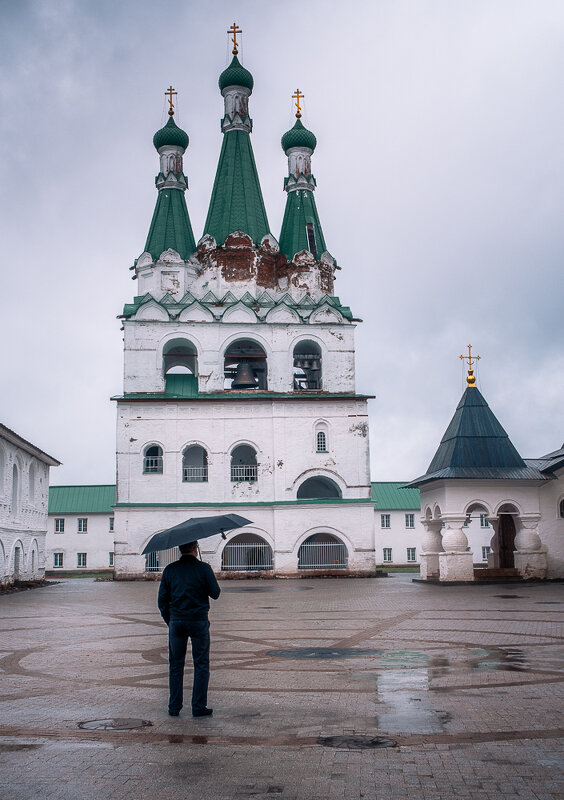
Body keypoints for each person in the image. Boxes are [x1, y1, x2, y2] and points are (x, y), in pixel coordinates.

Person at [157, 540, 221, 717]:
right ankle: (198, 706)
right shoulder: (203, 568)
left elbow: (162, 600)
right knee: (201, 664)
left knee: (175, 665)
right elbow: (215, 593)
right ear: (195, 548)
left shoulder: (170, 570)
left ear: (180, 549)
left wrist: (170, 620)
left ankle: (174, 707)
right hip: (198, 622)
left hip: (177, 622)